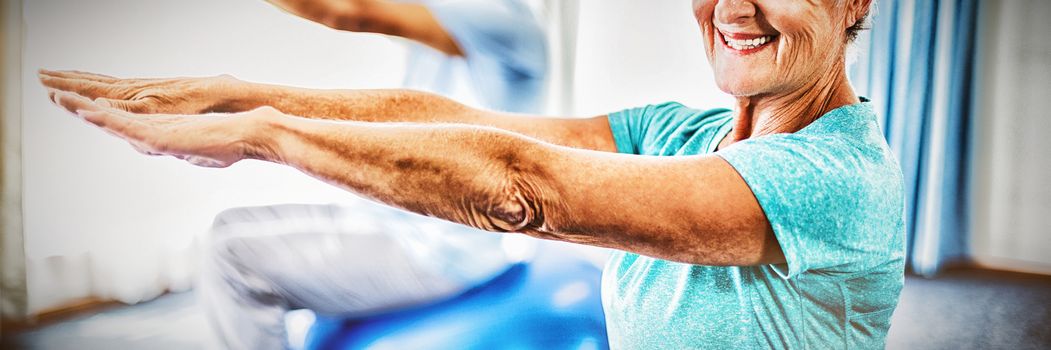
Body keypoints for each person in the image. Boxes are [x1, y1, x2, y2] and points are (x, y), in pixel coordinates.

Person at [41, 0, 906, 348]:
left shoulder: (831, 176)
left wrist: (271, 137)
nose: (734, 8)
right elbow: (464, 125)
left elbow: (525, 187)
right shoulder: (685, 130)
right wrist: (242, 95)